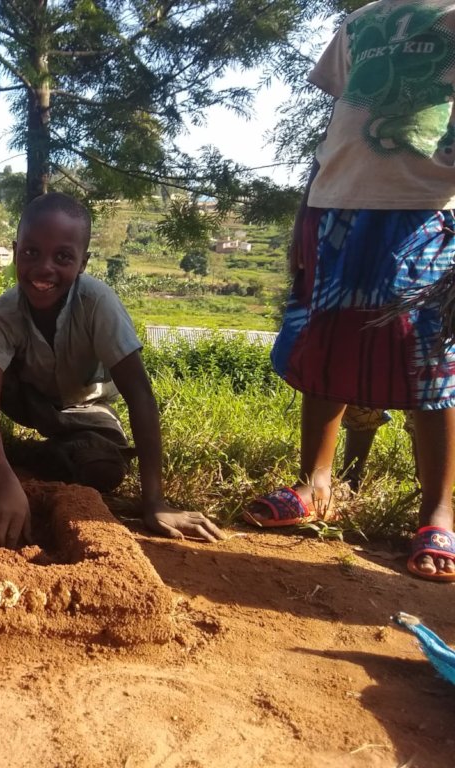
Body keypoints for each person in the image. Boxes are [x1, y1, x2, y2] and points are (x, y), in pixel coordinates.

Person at [244, 0, 455, 582]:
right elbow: (338, 124)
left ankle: (437, 510)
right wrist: (304, 210)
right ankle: (315, 484)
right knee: (326, 346)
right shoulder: (361, 22)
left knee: (431, 360)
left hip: (428, 210)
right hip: (335, 204)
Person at [0, 192, 226, 548]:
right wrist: (1, 482)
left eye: (63, 257)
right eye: (31, 253)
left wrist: (154, 501)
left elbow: (139, 395)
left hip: (86, 411)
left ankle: (30, 455)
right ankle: (5, 461)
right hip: (27, 401)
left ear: (83, 263)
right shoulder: (0, 317)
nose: (44, 268)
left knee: (103, 469)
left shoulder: (97, 303)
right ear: (15, 251)